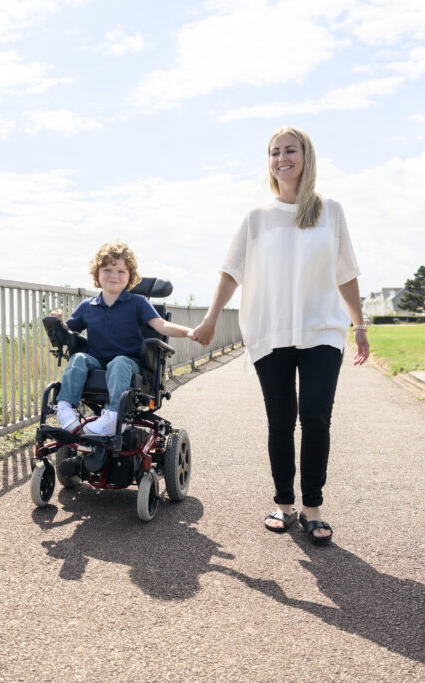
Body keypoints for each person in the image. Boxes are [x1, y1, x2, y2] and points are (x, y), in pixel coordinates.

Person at [190, 127, 369, 546]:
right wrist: (211, 319)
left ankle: (313, 508)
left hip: (321, 330)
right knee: (281, 421)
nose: (282, 158)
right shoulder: (257, 218)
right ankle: (284, 504)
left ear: (306, 156)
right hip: (270, 332)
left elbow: (347, 273)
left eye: (290, 150)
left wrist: (359, 324)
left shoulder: (331, 212)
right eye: (274, 152)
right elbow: (231, 271)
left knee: (316, 418)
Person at [51, 240, 193, 439]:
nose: (114, 276)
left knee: (118, 363)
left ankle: (113, 415)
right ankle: (65, 407)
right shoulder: (88, 306)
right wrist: (58, 322)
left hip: (129, 363)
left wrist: (188, 332)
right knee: (78, 359)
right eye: (108, 269)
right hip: (97, 361)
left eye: (121, 272)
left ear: (130, 277)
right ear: (97, 273)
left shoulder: (137, 303)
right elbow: (68, 329)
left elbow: (160, 325)